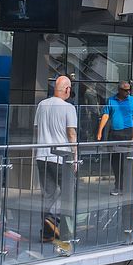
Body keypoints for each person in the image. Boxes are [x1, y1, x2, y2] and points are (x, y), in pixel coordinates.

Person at [33, 75, 77, 238]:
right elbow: (71, 134)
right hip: (61, 157)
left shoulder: (41, 105)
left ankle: (46, 233)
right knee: (68, 191)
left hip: (42, 155)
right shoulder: (68, 108)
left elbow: (37, 129)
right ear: (67, 89)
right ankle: (53, 218)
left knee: (48, 194)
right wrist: (75, 157)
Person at [97, 81, 133, 193]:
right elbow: (106, 115)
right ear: (119, 90)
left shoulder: (132, 100)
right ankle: (118, 185)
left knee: (127, 160)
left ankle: (128, 185)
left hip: (127, 132)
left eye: (129, 90)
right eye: (125, 90)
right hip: (114, 133)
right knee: (115, 161)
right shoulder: (111, 100)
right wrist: (100, 131)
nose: (128, 92)